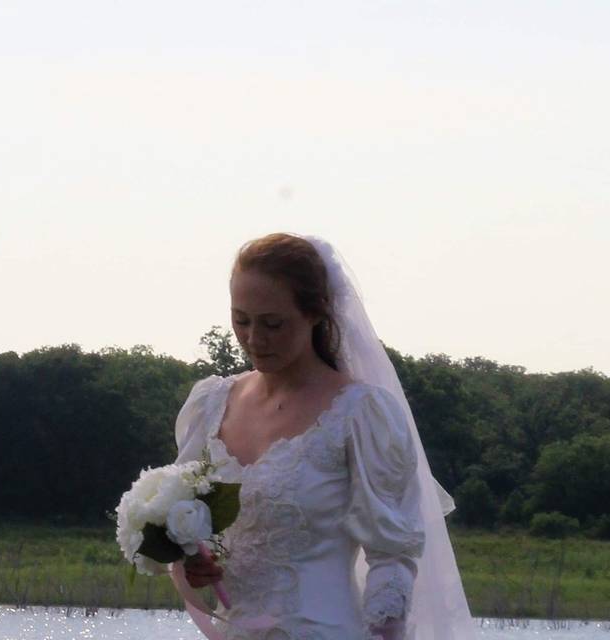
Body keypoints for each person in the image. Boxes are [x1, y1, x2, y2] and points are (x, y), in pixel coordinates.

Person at [168, 233, 476, 640]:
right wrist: (197, 565)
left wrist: (385, 632)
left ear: (316, 313)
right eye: (241, 320)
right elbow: (191, 532)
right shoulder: (210, 405)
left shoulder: (360, 415)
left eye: (273, 323)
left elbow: (392, 555)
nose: (254, 339)